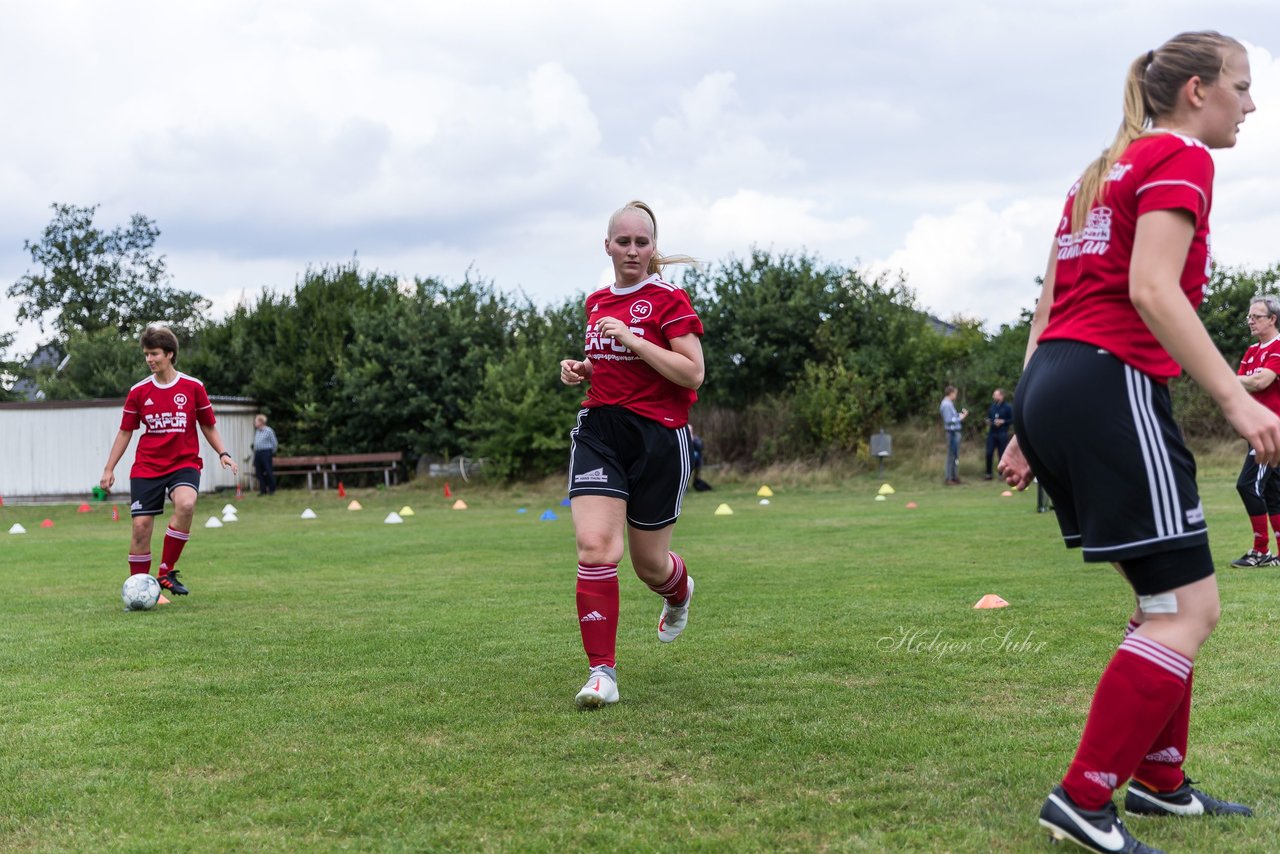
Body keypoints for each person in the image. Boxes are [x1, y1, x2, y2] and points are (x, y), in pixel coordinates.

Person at [997, 32, 1271, 853]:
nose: (1251, 105)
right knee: (1191, 609)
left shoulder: (1096, 172)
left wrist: (1019, 427)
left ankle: (1159, 778)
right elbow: (1151, 289)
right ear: (1196, 91)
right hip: (1108, 383)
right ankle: (1084, 798)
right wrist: (1236, 400)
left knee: (1162, 599)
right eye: (1243, 87)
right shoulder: (1181, 158)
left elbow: (1046, 308)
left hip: (1056, 383)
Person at [559, 200, 704, 709]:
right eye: (623, 242)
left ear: (653, 248)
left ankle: (678, 592)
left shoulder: (669, 299)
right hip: (601, 430)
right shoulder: (596, 301)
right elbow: (613, 367)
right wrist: (585, 369)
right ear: (607, 246)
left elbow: (692, 373)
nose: (633, 251)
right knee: (596, 546)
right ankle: (602, 674)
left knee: (649, 565)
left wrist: (634, 342)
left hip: (660, 439)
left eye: (642, 242)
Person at [100, 325, 239, 596]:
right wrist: (109, 468)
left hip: (184, 463)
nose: (149, 360)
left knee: (186, 504)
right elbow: (125, 431)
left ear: (170, 354)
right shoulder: (139, 391)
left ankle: (165, 572)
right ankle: (140, 590)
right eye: (146, 355)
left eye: (154, 354)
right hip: (147, 466)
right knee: (141, 527)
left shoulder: (193, 387)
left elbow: (208, 425)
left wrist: (223, 453)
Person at [1230, 295, 1280, 567]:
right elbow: (1242, 386)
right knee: (1273, 492)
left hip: (1271, 432)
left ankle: (1261, 551)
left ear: (1272, 319)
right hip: (1256, 431)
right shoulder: (1252, 351)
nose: (1250, 320)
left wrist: (1227, 379)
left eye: (1256, 316)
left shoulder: (1278, 347)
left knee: (1248, 485)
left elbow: (1261, 381)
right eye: (1249, 316)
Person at [939, 385, 968, 484]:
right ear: (951, 393)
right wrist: (961, 418)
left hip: (955, 432)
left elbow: (953, 416)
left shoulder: (949, 404)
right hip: (952, 433)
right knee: (951, 455)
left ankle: (955, 476)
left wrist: (959, 415)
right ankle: (949, 478)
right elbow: (948, 420)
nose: (956, 395)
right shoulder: (946, 405)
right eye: (955, 393)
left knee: (955, 455)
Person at [983, 388, 1013, 481]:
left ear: (1001, 396)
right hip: (992, 433)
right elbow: (989, 417)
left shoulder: (1008, 407)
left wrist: (1003, 422)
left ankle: (1001, 474)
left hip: (1002, 432)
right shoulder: (992, 407)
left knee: (1002, 454)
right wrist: (988, 421)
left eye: (995, 395)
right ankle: (988, 474)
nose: (993, 396)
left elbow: (1012, 420)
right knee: (989, 452)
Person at [253, 413, 279, 496]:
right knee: (258, 472)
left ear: (261, 422)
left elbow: (274, 443)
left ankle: (272, 490)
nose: (255, 422)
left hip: (266, 452)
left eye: (256, 421)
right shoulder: (257, 431)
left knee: (268, 471)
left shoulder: (269, 431)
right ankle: (263, 490)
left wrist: (271, 453)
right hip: (258, 453)